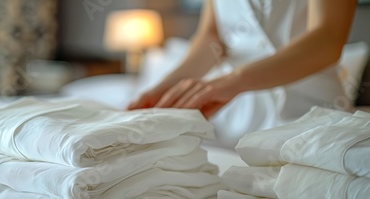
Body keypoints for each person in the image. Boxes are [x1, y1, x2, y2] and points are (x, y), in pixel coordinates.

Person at [128, 0, 357, 148]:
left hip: (310, 113)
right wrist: (168, 85)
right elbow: (212, 37)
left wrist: (233, 82)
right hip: (232, 118)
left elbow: (327, 39)